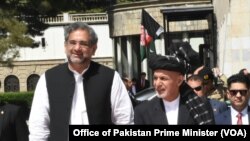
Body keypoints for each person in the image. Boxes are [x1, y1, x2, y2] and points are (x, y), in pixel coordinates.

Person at [28, 22, 134, 141]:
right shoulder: (48, 78)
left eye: (83, 43)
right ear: (65, 46)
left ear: (93, 49)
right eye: (72, 42)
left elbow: (124, 120)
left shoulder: (110, 77)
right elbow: (38, 126)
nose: (77, 48)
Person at [134, 53, 214, 125]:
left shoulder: (199, 106)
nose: (157, 84)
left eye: (163, 78)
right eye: (155, 78)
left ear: (179, 81)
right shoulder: (143, 111)